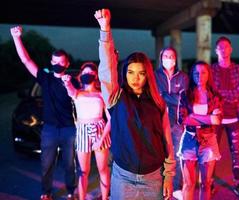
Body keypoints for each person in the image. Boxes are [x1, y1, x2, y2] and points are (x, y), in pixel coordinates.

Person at [95, 9, 176, 200]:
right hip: (123, 177)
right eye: (130, 72)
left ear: (147, 74)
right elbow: (106, 69)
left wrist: (169, 177)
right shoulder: (117, 98)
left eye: (140, 73)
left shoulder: (158, 103)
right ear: (124, 73)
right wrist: (105, 30)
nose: (135, 78)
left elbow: (167, 141)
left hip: (153, 178)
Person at [10, 26, 77, 200]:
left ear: (67, 64)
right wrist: (16, 37)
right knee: (46, 164)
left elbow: (78, 97)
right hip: (49, 129)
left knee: (70, 164)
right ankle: (46, 192)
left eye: (61, 62)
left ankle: (71, 191)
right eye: (54, 62)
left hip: (69, 129)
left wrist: (68, 83)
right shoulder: (44, 78)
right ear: (51, 62)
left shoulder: (72, 81)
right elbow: (26, 60)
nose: (57, 65)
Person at [61, 62, 111, 200]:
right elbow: (70, 90)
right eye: (84, 73)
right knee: (83, 172)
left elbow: (111, 118)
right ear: (80, 75)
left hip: (100, 130)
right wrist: (67, 82)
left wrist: (101, 139)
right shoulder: (77, 93)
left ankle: (105, 197)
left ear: (95, 75)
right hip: (82, 131)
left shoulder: (101, 94)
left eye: (90, 73)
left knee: (103, 169)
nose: (87, 75)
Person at [177, 61, 222, 200]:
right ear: (192, 75)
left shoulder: (214, 95)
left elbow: (217, 120)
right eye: (196, 73)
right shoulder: (185, 94)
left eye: (203, 72)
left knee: (206, 184)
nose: (199, 76)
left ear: (208, 74)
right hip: (189, 139)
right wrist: (208, 118)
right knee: (188, 184)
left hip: (208, 140)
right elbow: (183, 120)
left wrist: (193, 117)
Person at [211, 36, 239, 199]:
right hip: (216, 118)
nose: (224, 50)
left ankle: (238, 184)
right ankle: (209, 182)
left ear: (231, 49)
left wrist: (223, 95)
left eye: (226, 47)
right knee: (212, 152)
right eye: (220, 47)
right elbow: (213, 92)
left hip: (235, 117)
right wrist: (233, 95)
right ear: (216, 50)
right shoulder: (212, 70)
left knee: (236, 153)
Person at [155, 47, 189, 199]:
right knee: (159, 155)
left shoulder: (183, 77)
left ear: (176, 59)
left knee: (176, 155)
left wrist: (165, 95)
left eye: (171, 56)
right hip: (158, 121)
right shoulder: (155, 76)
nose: (168, 58)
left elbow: (183, 100)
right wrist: (172, 97)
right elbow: (156, 96)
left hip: (177, 123)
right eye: (166, 56)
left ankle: (176, 187)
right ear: (161, 58)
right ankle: (159, 186)